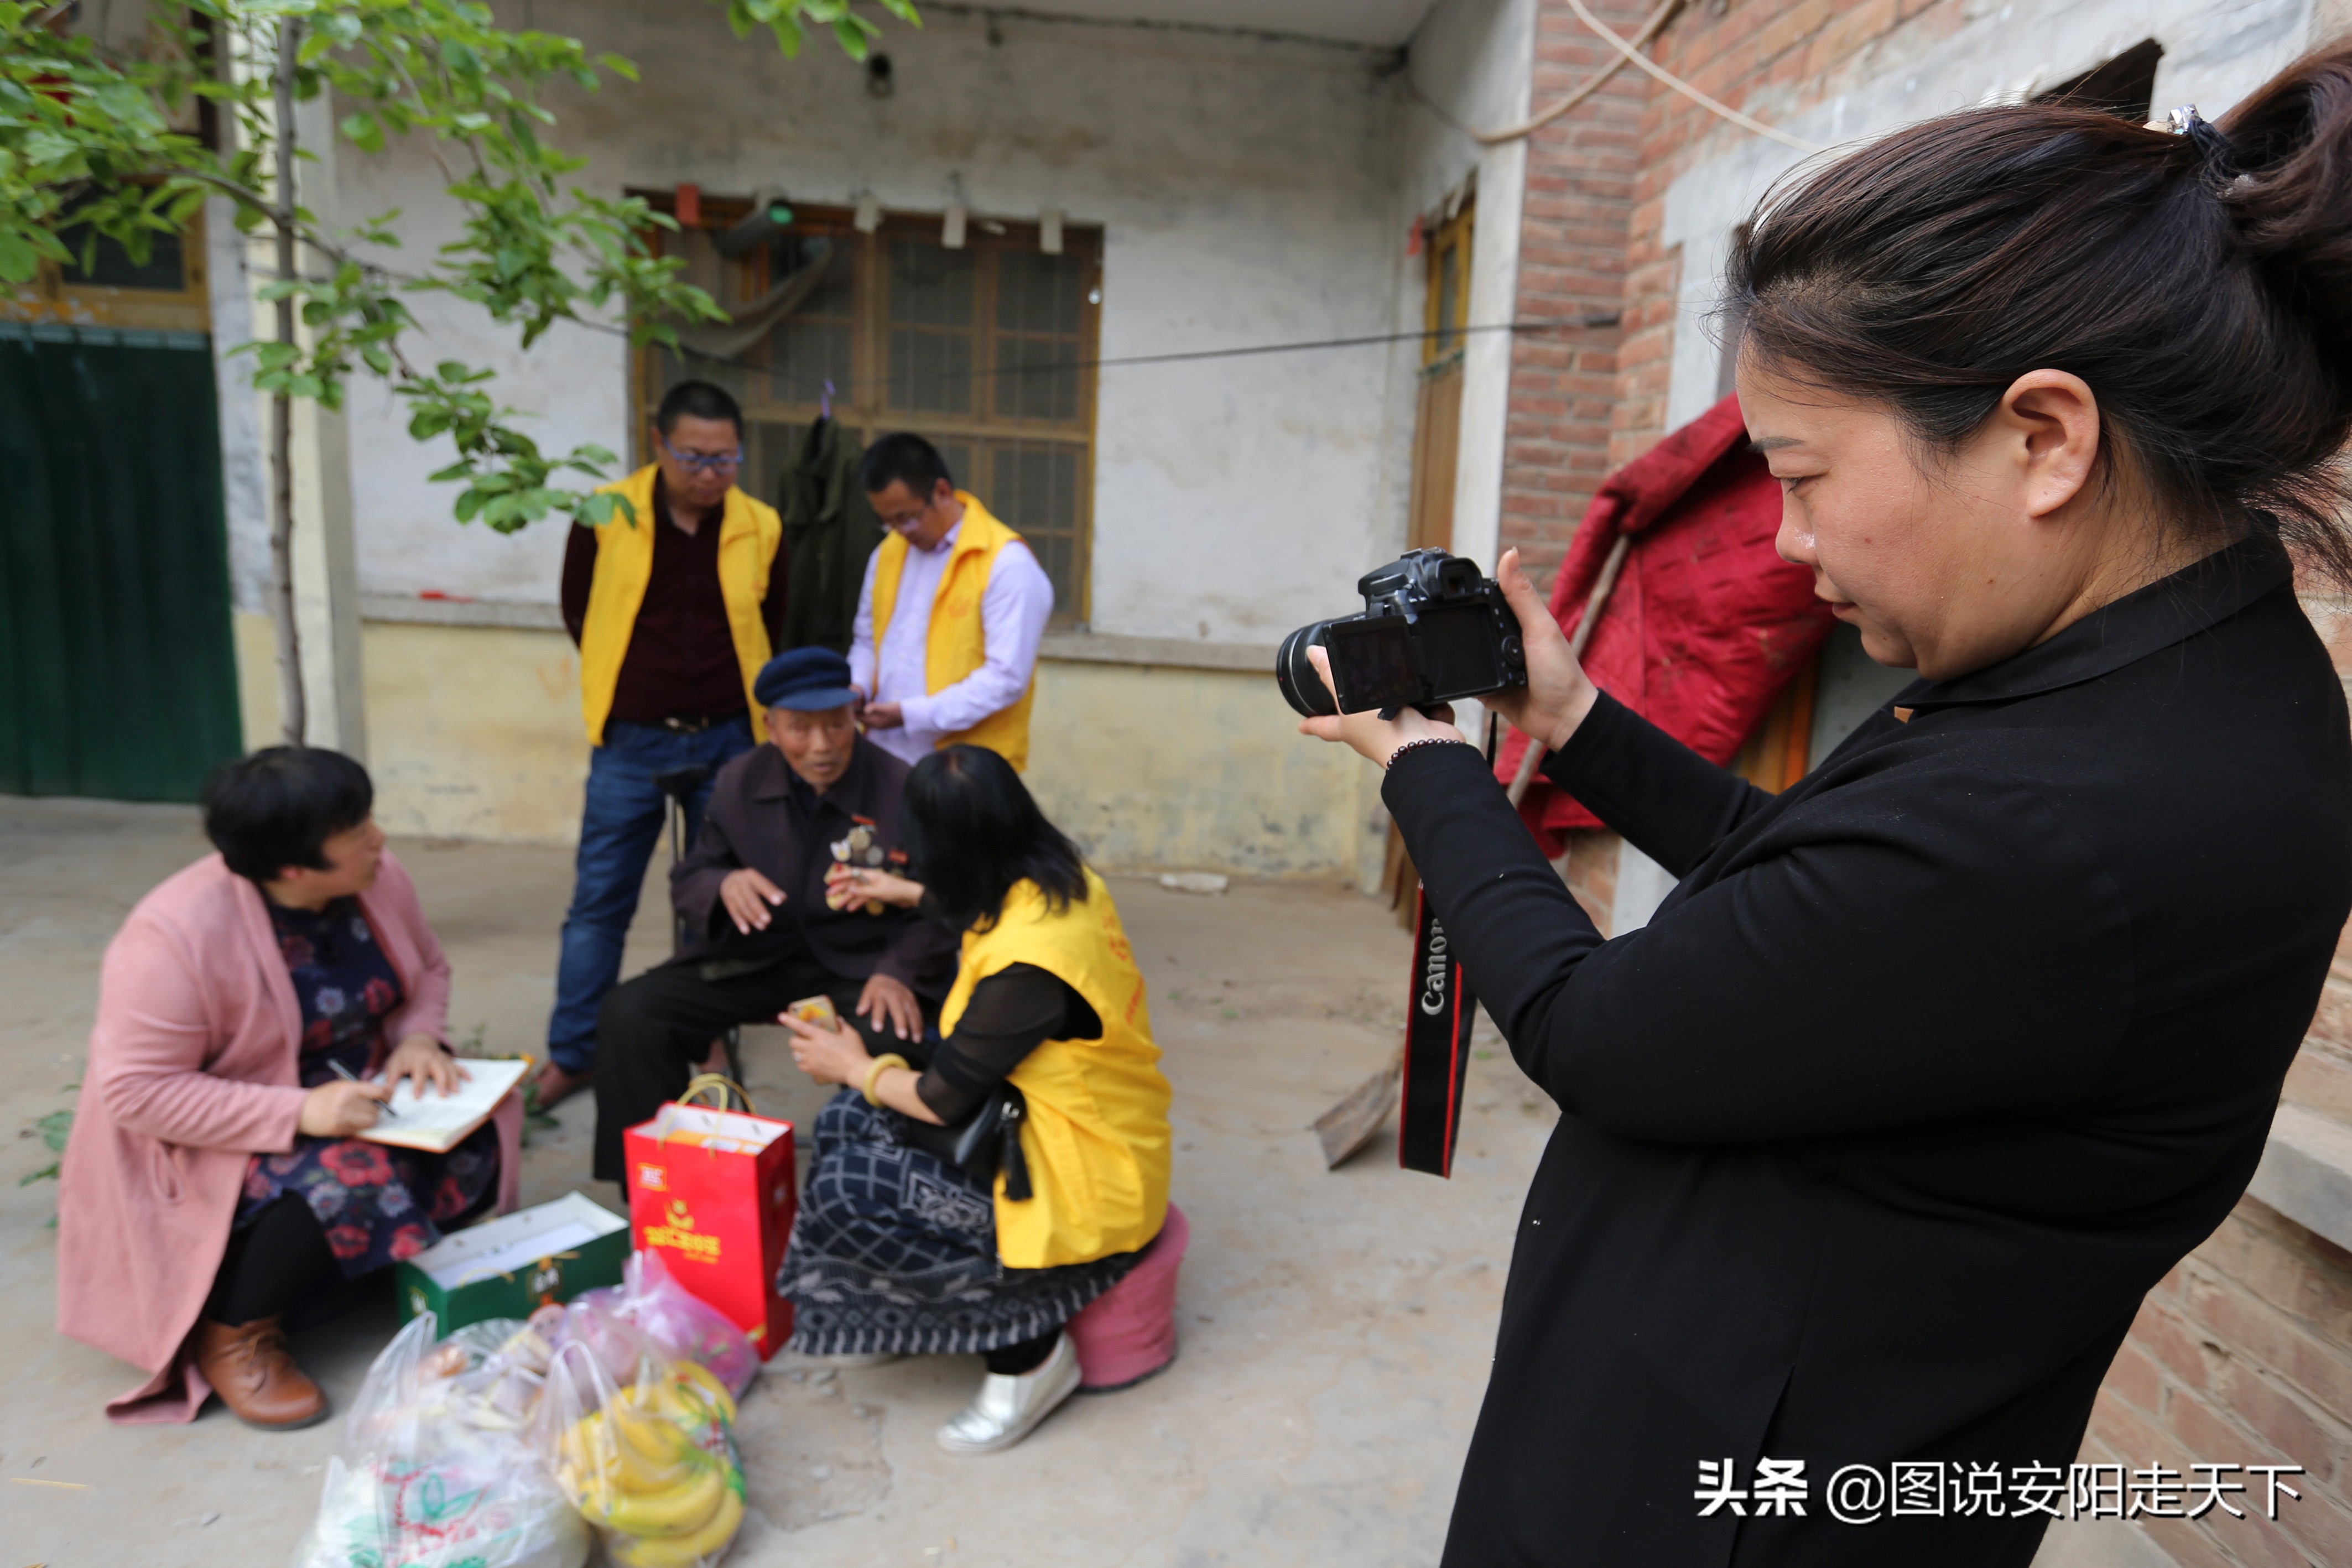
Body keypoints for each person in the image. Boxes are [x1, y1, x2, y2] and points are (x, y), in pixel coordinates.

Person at [1299, 49, 2352, 1568]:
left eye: (1801, 473)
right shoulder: (2161, 678)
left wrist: (1425, 768)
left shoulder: (2075, 810)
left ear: (2041, 437)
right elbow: (1810, 893)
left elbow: (1598, 1031)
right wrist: (1570, 718)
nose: (1787, 542)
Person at [58, 749, 522, 1428]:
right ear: (294, 868)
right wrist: (301, 1109)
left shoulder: (379, 878)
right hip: (219, 1128)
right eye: (355, 830)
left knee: (484, 1128)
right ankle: (236, 1331)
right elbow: (136, 1091)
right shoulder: (173, 936)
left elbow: (427, 968)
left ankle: (346, 1271)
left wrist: (420, 1038)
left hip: (354, 1088)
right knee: (355, 1174)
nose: (379, 839)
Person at [776, 744, 1172, 1455]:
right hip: (1043, 1126)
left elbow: (940, 1099)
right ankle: (887, 1309)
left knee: (851, 1182)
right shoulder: (1057, 879)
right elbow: (991, 908)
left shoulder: (1031, 968)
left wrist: (849, 1064)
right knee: (845, 1125)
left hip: (1081, 1181)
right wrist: (902, 892)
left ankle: (1029, 1357)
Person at [590, 646, 959, 1184]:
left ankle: (874, 1187)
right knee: (632, 1014)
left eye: (836, 726)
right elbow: (691, 877)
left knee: (893, 1036)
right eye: (799, 729)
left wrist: (899, 970)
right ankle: (657, 1186)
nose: (821, 746)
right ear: (769, 726)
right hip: (757, 960)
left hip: (862, 967)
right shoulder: (741, 779)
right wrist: (724, 883)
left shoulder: (901, 788)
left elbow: (943, 901)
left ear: (854, 717)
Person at [543, 379, 788, 1108]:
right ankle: (574, 1051)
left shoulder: (764, 525)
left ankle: (706, 1036)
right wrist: (640, 688)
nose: (710, 473)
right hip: (630, 741)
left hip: (729, 742)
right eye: (694, 457)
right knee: (599, 901)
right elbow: (578, 609)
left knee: (718, 898)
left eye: (725, 459)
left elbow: (777, 624)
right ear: (659, 445)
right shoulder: (604, 512)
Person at [849, 434, 1053, 773]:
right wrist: (858, 685)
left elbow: (1005, 678)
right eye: (888, 522)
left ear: (941, 493)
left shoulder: (1006, 564)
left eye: (907, 517)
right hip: (884, 756)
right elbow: (867, 640)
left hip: (966, 772)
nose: (900, 531)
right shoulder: (887, 554)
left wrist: (910, 715)